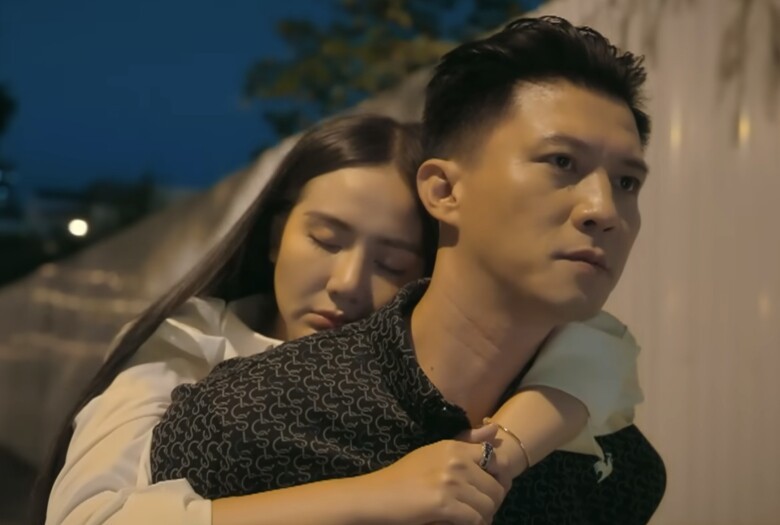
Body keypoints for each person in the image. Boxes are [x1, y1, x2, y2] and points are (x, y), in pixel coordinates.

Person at [148, 15, 665, 525]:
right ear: (444, 190)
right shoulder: (245, 418)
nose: (603, 209)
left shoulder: (616, 470)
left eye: (627, 182)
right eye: (561, 162)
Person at [41, 113, 641, 523]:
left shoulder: (437, 367)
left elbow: (597, 346)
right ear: (275, 236)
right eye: (326, 240)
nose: (348, 283)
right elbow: (87, 517)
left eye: (391, 263)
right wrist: (375, 495)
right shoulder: (186, 344)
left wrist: (501, 452)